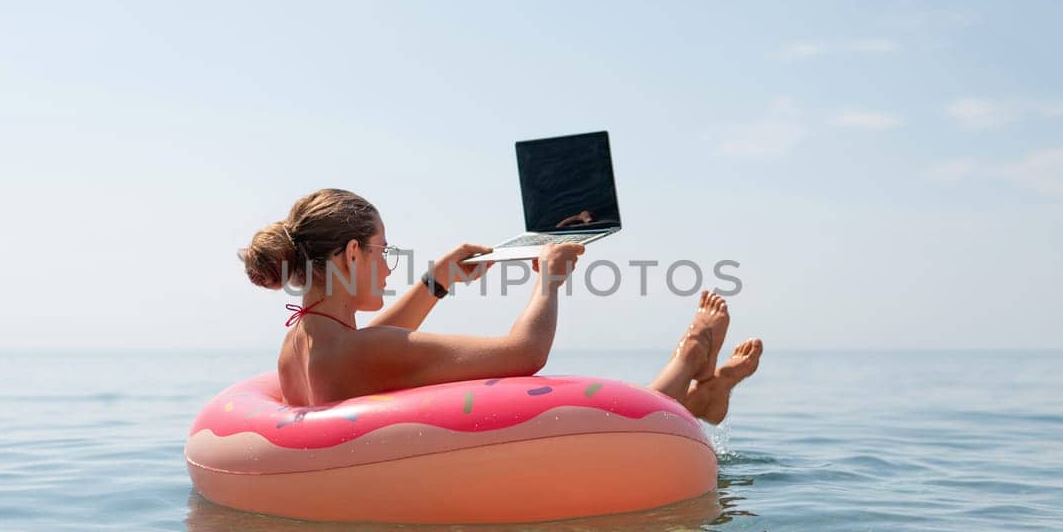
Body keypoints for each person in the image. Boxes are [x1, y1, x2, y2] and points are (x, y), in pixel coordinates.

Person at [240, 188, 761, 419]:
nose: (389, 266)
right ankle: (692, 359)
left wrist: (438, 282)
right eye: (383, 251)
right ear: (352, 254)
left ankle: (700, 387)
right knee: (616, 406)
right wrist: (550, 281)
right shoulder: (362, 352)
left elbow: (370, 344)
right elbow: (527, 351)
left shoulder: (298, 344)